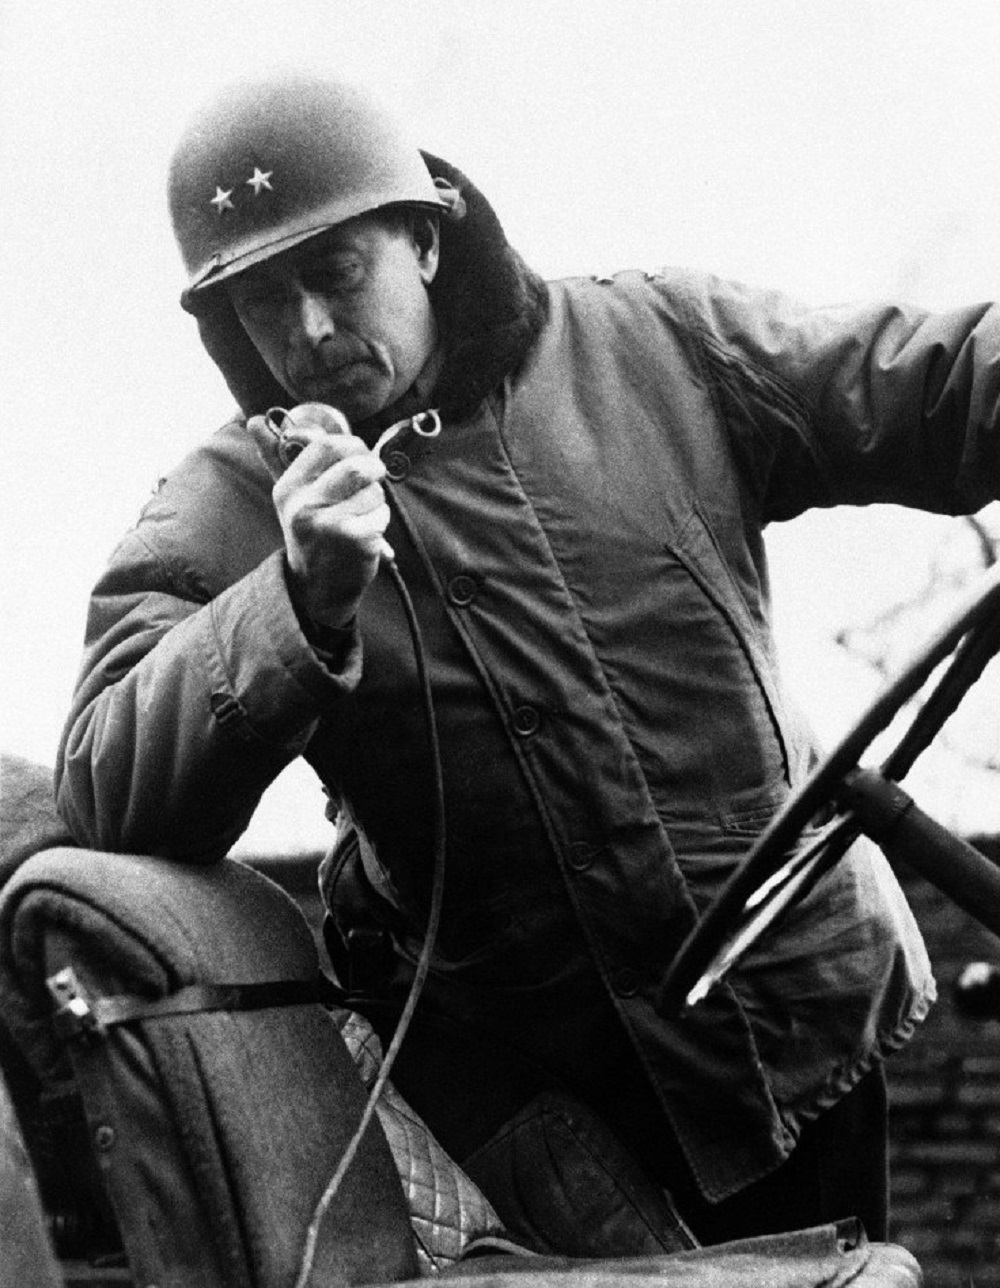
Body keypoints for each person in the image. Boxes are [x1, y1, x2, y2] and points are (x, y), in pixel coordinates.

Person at [54, 68, 1000, 1249]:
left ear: (425, 240)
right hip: (542, 1110)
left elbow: (929, 383)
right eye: (260, 301)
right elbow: (102, 791)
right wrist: (295, 603)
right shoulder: (228, 510)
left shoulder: (658, 347)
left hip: (793, 1024)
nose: (310, 331)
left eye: (336, 272)